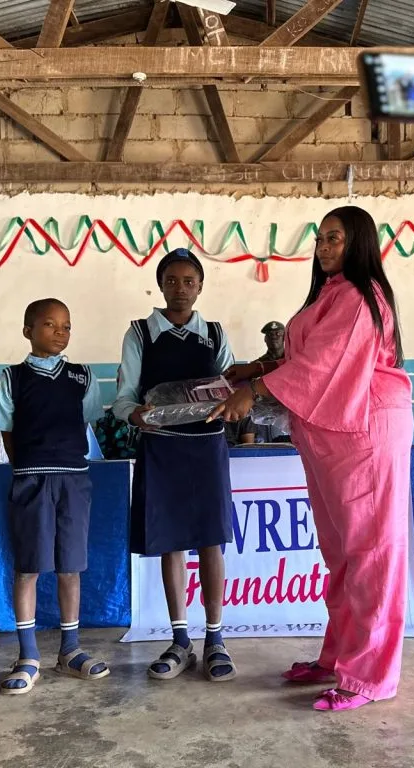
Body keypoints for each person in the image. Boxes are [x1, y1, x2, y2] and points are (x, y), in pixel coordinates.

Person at [211, 206, 413, 713]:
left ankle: (369, 675)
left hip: (365, 431)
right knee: (342, 554)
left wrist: (254, 390)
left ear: (359, 242)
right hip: (331, 437)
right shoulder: (332, 292)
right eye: (321, 239)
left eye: (335, 239)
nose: (324, 247)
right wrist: (254, 368)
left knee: (370, 555)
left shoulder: (362, 297)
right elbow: (303, 357)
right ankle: (341, 656)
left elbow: (325, 364)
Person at [112, 248, 238, 683]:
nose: (180, 289)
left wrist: (236, 405)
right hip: (161, 447)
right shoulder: (141, 333)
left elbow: (229, 390)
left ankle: (216, 640)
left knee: (210, 541)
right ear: (160, 284)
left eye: (189, 281)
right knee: (172, 542)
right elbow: (124, 397)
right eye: (172, 280)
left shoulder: (215, 334)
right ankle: (180, 639)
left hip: (207, 449)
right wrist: (135, 414)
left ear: (200, 286)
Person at [0, 298, 108, 694]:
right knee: (29, 567)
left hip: (74, 479)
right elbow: (5, 430)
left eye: (66, 326)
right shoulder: (12, 377)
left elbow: (86, 422)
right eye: (50, 324)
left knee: (70, 567)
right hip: (32, 479)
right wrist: (28, 467)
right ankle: (28, 655)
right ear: (28, 331)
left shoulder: (82, 376)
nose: (60, 332)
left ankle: (70, 650)